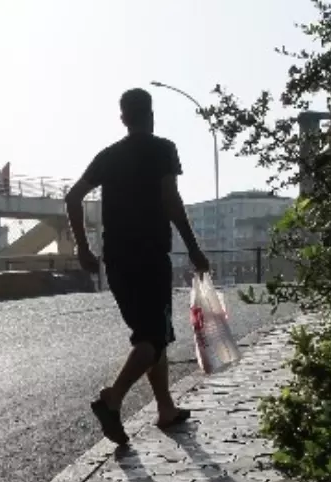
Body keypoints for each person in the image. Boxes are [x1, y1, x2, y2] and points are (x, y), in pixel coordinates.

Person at [64, 87, 210, 446]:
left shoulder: (108, 156)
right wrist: (194, 249)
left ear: (123, 118)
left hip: (116, 259)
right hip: (149, 256)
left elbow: (72, 197)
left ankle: (165, 407)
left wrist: (83, 248)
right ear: (151, 113)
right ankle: (113, 398)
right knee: (153, 337)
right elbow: (171, 202)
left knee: (150, 333)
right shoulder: (163, 149)